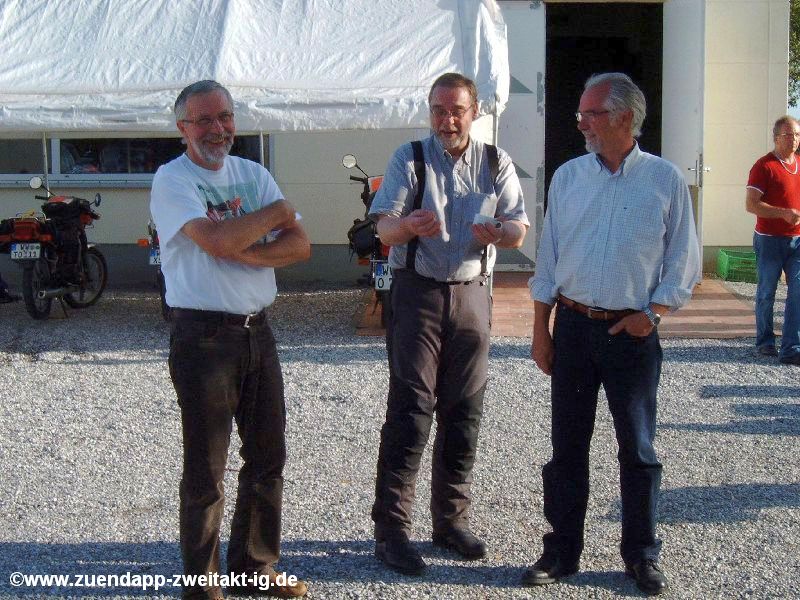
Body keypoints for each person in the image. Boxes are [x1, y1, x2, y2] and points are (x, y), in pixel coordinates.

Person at [527, 73, 700, 596]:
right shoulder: (568, 177)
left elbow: (683, 258)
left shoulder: (664, 180)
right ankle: (561, 552)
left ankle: (641, 555)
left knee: (638, 449)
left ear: (625, 117)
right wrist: (541, 329)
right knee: (567, 446)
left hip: (631, 334)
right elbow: (549, 258)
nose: (581, 122)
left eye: (592, 113)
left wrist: (655, 313)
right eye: (581, 113)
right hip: (574, 328)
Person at [150, 80, 310, 600]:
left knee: (267, 457)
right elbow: (218, 239)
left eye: (224, 117)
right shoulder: (173, 180)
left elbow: (301, 246)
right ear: (183, 129)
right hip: (203, 338)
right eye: (203, 120)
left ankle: (253, 567)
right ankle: (202, 586)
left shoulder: (252, 173)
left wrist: (244, 250)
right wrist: (276, 214)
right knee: (207, 468)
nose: (217, 129)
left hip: (258, 330)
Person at [368, 72, 529, 575]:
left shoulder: (496, 161)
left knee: (464, 411)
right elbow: (383, 227)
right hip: (417, 292)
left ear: (474, 112)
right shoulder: (410, 157)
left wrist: (499, 230)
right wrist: (406, 225)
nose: (447, 120)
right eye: (439, 110)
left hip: (473, 293)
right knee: (412, 410)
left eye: (457, 110)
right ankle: (392, 531)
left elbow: (519, 230)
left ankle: (450, 521)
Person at [745, 115, 800, 364]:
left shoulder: (798, 164)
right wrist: (783, 213)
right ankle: (765, 342)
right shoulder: (764, 166)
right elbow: (751, 205)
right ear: (776, 137)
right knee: (767, 292)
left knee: (797, 292)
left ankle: (791, 348)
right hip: (769, 240)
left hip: (796, 241)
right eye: (789, 135)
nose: (794, 140)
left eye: (797, 135)